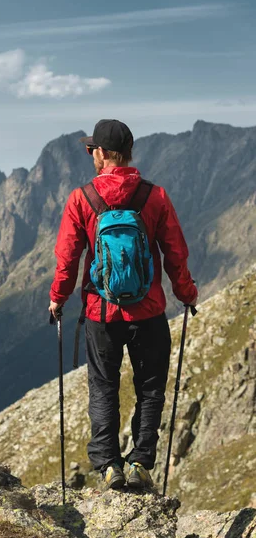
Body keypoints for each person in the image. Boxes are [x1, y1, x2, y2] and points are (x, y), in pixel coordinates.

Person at [49, 119, 197, 490]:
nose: (90, 155)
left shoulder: (81, 199)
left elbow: (68, 257)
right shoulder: (155, 197)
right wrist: (187, 294)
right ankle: (140, 463)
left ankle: (108, 465)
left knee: (103, 386)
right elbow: (175, 252)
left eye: (91, 150)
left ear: (100, 153)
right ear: (128, 154)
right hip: (148, 312)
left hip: (101, 313)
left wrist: (57, 298)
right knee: (150, 388)